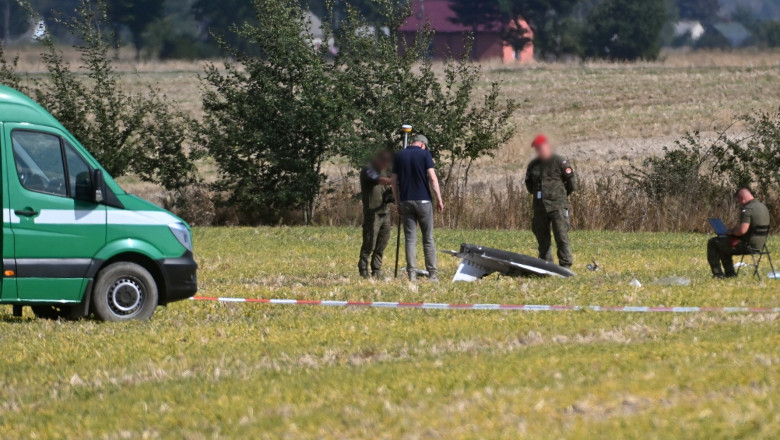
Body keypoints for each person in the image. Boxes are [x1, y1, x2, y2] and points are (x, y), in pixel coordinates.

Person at [391, 134, 444, 282]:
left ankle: (412, 275)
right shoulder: (425, 154)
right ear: (422, 145)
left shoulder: (399, 155)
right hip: (424, 201)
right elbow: (433, 178)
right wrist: (439, 199)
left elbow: (393, 182)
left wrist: (398, 202)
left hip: (406, 201)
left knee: (410, 240)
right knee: (428, 238)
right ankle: (432, 274)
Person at [524, 134, 577, 268]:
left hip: (557, 205)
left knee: (561, 235)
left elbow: (572, 183)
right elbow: (529, 184)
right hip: (540, 207)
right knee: (542, 238)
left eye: (541, 147)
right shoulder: (533, 165)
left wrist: (561, 196)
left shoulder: (559, 161)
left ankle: (565, 265)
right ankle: (545, 265)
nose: (539, 150)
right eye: (537, 148)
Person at [707, 188, 770, 278]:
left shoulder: (748, 209)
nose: (739, 204)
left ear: (742, 198)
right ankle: (730, 274)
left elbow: (742, 230)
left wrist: (731, 232)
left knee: (713, 242)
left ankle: (718, 274)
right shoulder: (763, 207)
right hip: (760, 245)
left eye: (738, 201)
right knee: (723, 244)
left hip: (748, 246)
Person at [358, 150, 394, 278]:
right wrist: (392, 181)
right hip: (372, 213)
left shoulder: (383, 171)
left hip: (384, 211)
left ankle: (377, 270)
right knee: (369, 243)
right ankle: (363, 270)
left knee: (382, 243)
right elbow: (378, 180)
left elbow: (384, 185)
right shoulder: (368, 170)